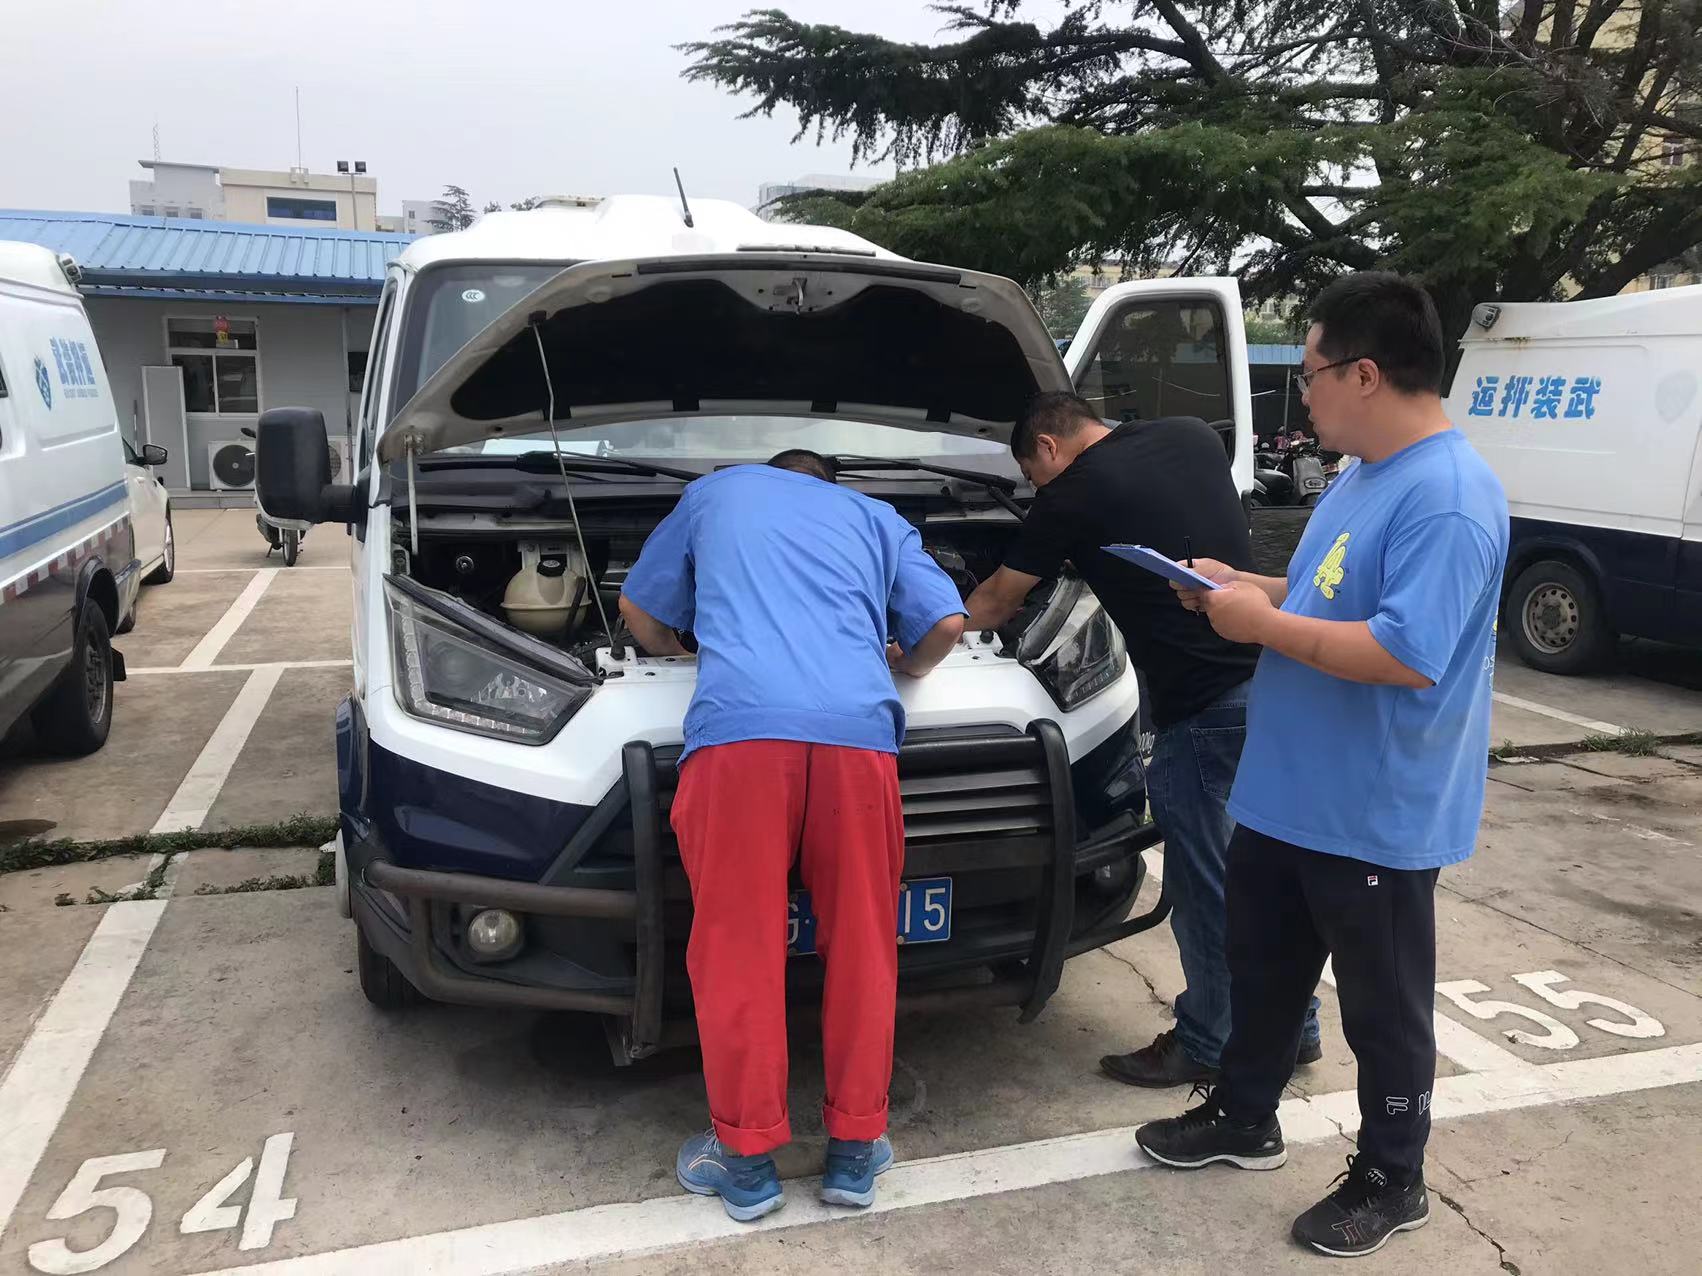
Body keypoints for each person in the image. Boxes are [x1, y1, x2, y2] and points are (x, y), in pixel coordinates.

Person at [1134, 273, 1509, 1258]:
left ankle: (1393, 1174)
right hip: (1288, 790)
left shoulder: (1449, 498)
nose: (1302, 393)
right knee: (1263, 972)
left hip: (1372, 808)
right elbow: (1324, 596)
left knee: (1383, 1009)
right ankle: (1243, 1114)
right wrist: (1244, 587)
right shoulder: (1363, 473)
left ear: (1366, 374)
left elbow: (1404, 653)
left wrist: (1259, 625)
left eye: (1309, 373)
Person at [619, 448, 966, 1222]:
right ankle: (855, 1153)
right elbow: (946, 623)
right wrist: (904, 663)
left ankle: (746, 1164)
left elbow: (639, 612)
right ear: (825, 485)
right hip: (857, 740)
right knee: (865, 943)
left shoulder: (715, 494)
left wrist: (685, 650)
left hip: (741, 738)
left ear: (773, 473)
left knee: (738, 948)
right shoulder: (875, 515)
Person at [963, 392, 1322, 1087]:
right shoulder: (1192, 434)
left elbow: (999, 600)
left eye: (1033, 475)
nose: (1038, 490)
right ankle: (1296, 1027)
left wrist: (925, 631)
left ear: (1047, 447)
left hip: (1202, 706)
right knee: (1267, 876)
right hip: (1272, 684)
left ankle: (1211, 1040)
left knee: (1207, 883)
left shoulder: (1070, 494)